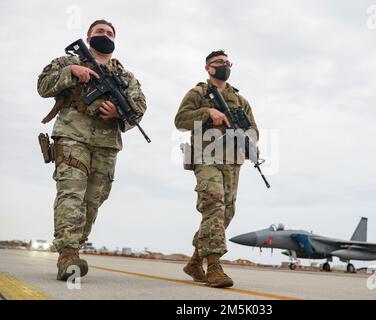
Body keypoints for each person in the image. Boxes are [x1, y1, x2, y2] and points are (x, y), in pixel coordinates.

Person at [37, 19, 147, 281]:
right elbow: (42, 85)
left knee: (94, 200)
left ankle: (76, 245)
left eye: (110, 33)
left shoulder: (126, 76)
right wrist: (72, 72)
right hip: (72, 136)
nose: (105, 36)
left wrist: (119, 114)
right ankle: (68, 256)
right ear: (88, 38)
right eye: (100, 32)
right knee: (71, 192)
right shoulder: (67, 62)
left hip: (107, 144)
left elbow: (139, 107)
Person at [174, 50, 259, 288]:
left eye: (227, 62)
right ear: (208, 68)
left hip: (232, 161)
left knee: (227, 212)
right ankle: (213, 266)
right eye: (219, 62)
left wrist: (248, 143)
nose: (224, 65)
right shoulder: (198, 93)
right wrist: (207, 113)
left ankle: (194, 262)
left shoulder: (240, 101)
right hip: (206, 157)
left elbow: (254, 130)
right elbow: (180, 120)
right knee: (214, 204)